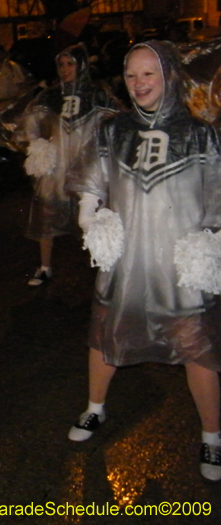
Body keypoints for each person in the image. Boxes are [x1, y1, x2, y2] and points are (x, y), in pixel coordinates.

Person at [65, 40, 221, 481]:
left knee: (197, 348)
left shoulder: (200, 133)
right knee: (105, 334)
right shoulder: (113, 129)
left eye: (148, 73)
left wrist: (212, 241)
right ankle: (95, 407)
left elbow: (217, 191)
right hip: (128, 259)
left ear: (169, 75)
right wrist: (89, 212)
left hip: (179, 262)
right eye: (131, 75)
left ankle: (212, 436)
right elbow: (91, 178)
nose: (138, 83)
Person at [15, 43, 118, 286]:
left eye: (70, 63)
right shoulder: (51, 95)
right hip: (58, 169)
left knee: (95, 218)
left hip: (89, 167)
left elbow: (117, 125)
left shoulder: (98, 94)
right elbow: (30, 125)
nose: (64, 69)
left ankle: (108, 268)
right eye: (61, 64)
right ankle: (44, 267)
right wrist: (40, 147)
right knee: (47, 216)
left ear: (82, 65)